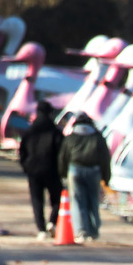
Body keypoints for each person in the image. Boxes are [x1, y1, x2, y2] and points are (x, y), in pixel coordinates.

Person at [57, 112, 111, 243]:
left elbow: (63, 158)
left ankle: (81, 231)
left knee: (77, 202)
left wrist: (63, 174)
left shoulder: (71, 137)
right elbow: (105, 158)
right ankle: (94, 230)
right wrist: (106, 177)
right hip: (94, 171)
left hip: (75, 170)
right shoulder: (98, 137)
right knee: (93, 200)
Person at [18, 100, 62, 237]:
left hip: (33, 171)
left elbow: (22, 152)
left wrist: (26, 167)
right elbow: (62, 152)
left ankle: (41, 229)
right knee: (57, 198)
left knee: (37, 200)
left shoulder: (30, 131)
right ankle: (53, 222)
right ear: (50, 113)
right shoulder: (55, 131)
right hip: (52, 170)